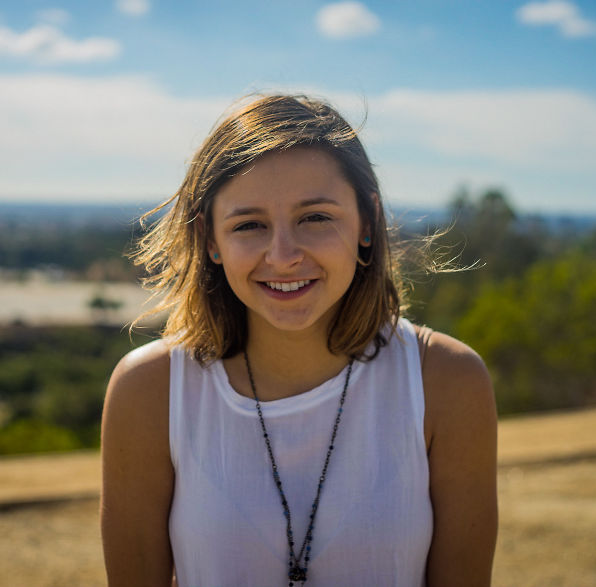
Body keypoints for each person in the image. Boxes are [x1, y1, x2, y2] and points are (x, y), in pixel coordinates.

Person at [100, 94, 498, 587]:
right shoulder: (149, 390)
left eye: (315, 218)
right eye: (249, 225)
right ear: (209, 239)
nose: (283, 255)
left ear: (367, 223)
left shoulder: (447, 381)